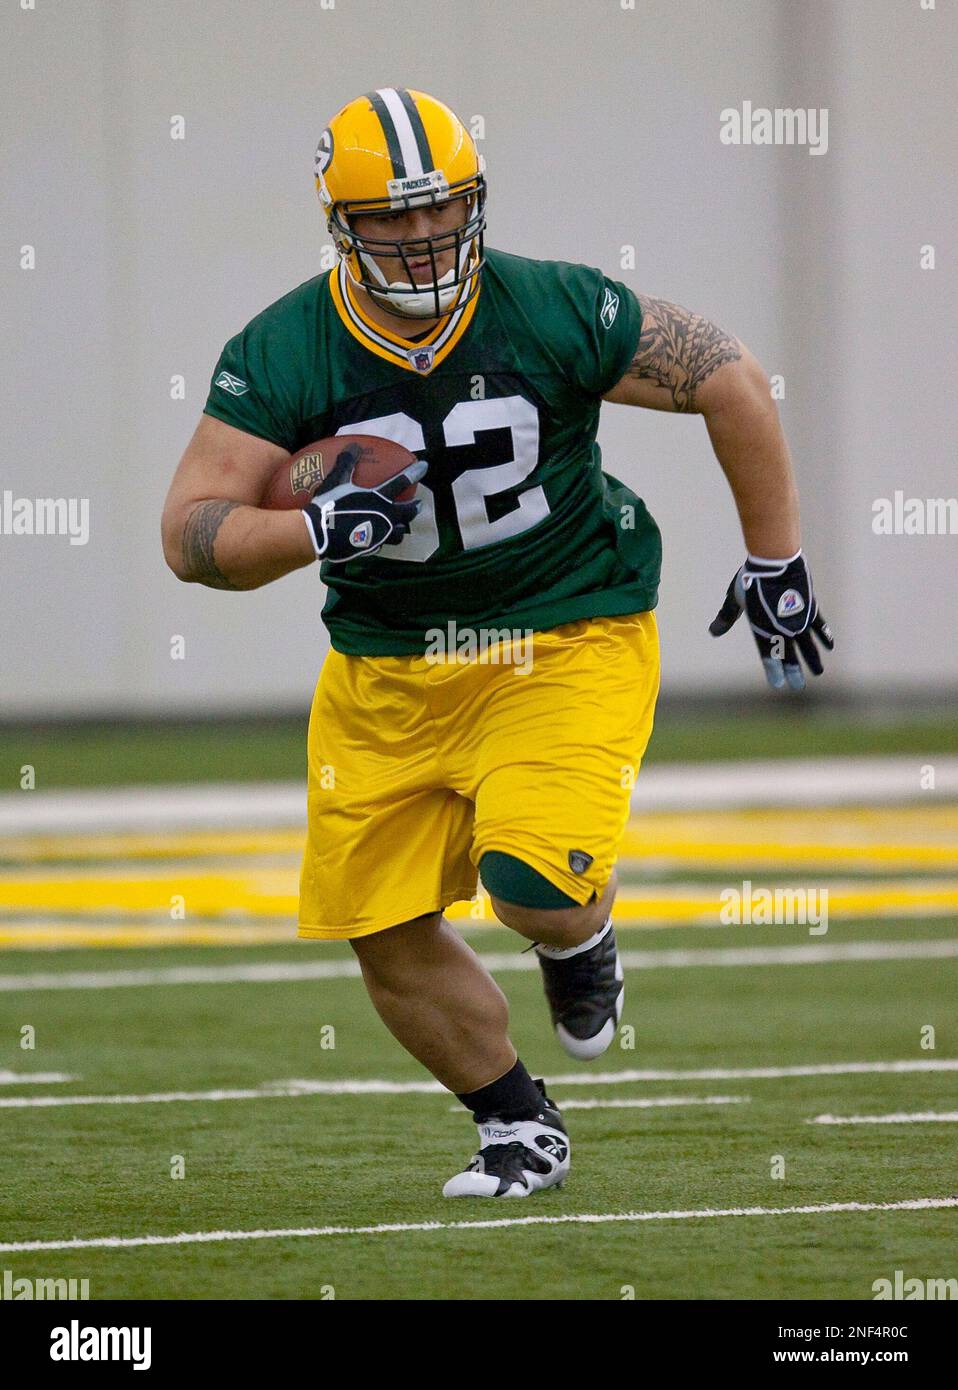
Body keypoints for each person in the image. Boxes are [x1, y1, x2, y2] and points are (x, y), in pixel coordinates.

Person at [162, 88, 833, 1199]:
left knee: (532, 884)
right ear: (340, 222)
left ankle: (577, 944)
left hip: (561, 632)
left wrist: (775, 558)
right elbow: (190, 533)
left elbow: (729, 377)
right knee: (379, 928)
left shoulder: (549, 304)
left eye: (443, 208)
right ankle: (516, 1125)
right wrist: (313, 526)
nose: (424, 236)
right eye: (391, 216)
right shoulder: (284, 347)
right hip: (384, 665)